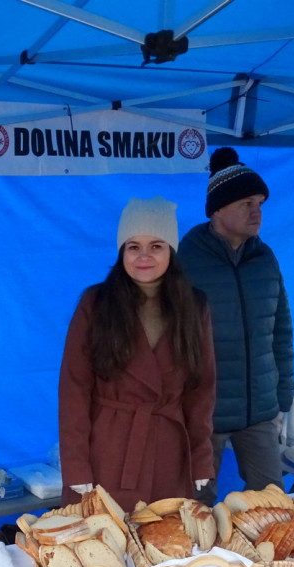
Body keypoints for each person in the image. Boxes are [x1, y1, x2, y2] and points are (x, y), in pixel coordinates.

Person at [58, 197, 216, 513]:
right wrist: (76, 464)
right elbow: (74, 390)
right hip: (108, 448)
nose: (144, 256)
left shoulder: (194, 306)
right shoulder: (96, 303)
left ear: (170, 250)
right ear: (121, 252)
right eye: (133, 246)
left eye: (156, 246)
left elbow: (202, 390)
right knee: (104, 546)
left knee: (164, 544)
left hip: (168, 450)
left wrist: (201, 459)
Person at [177, 147, 294, 506]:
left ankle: (272, 565)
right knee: (196, 507)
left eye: (259, 202)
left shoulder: (265, 258)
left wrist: (282, 401)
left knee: (273, 504)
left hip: (259, 410)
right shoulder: (187, 260)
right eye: (246, 202)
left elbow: (281, 331)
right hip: (203, 411)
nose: (256, 211)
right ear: (217, 209)